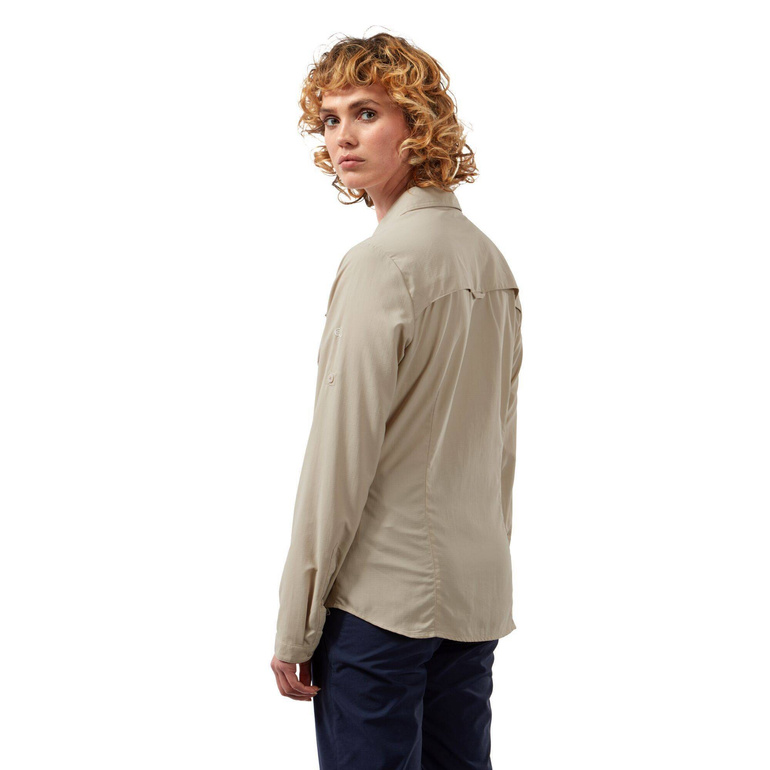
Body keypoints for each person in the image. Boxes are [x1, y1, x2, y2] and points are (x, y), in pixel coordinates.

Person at [270, 32, 524, 770]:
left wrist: (296, 623)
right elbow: (499, 445)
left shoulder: (380, 265)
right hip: (472, 599)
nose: (342, 137)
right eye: (330, 119)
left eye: (367, 112)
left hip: (380, 609)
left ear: (418, 123)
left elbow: (338, 459)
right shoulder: (490, 262)